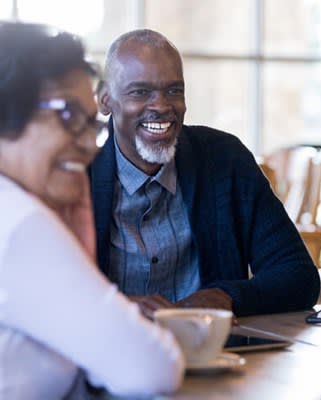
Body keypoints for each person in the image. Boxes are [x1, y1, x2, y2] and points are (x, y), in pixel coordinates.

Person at [0, 22, 184, 399]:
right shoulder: (17, 223)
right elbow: (151, 368)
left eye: (90, 124)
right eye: (67, 116)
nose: (88, 145)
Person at [92, 29, 320, 318]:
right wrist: (113, 308)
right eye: (140, 92)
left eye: (174, 91)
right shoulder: (78, 174)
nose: (161, 106)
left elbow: (298, 277)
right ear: (105, 100)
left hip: (214, 354)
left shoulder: (224, 159)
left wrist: (225, 297)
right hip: (108, 354)